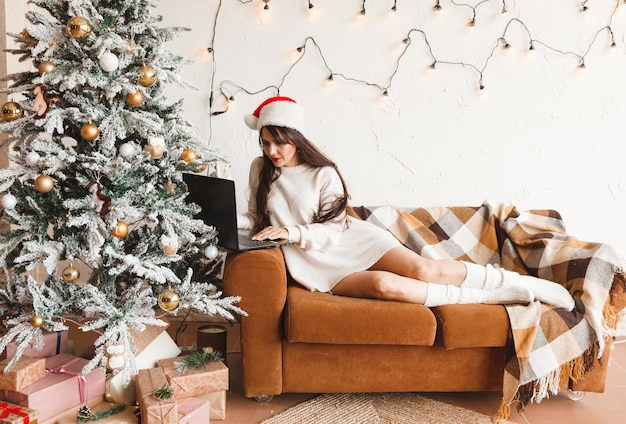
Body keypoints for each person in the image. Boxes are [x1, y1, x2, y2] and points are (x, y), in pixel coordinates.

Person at [237, 96, 575, 310]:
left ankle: (523, 285)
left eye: (279, 143)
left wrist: (291, 232)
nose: (271, 152)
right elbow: (254, 216)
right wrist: (225, 227)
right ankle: (497, 298)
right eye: (266, 143)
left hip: (349, 240)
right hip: (314, 265)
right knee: (385, 286)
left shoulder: (323, 173)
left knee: (424, 269)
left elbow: (333, 229)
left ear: (295, 138)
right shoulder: (260, 169)